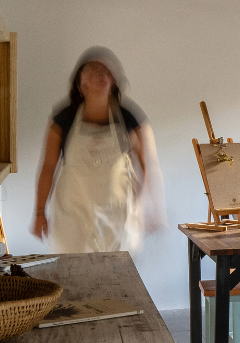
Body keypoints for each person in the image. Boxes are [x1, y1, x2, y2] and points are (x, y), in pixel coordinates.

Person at [31, 48, 164, 253]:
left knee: (115, 279)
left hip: (117, 217)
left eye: (105, 72)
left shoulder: (129, 119)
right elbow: (48, 167)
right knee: (75, 278)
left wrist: (145, 208)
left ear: (114, 81)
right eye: (91, 70)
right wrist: (40, 212)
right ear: (79, 82)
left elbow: (148, 165)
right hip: (72, 215)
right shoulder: (63, 119)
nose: (99, 76)